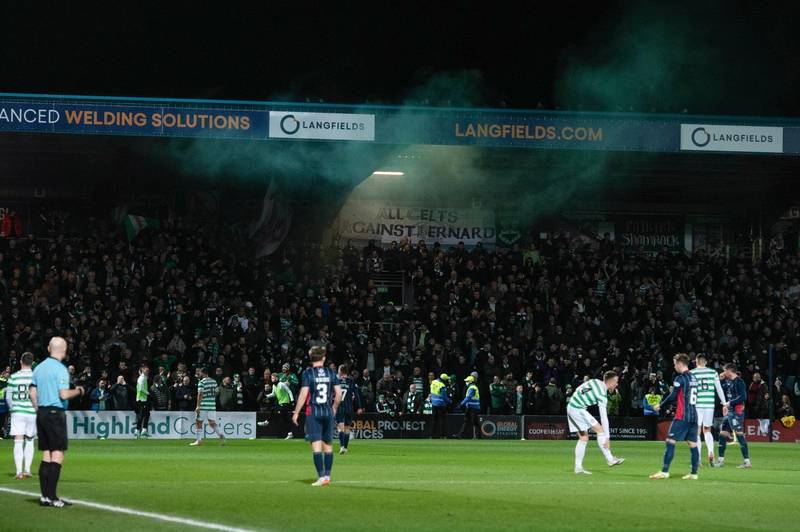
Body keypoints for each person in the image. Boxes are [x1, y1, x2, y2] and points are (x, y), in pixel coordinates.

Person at [28, 337, 85, 508]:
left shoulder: (39, 367)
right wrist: (79, 390)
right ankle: (52, 497)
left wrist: (39, 409)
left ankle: (45, 496)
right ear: (64, 349)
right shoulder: (60, 369)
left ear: (48, 348)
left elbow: (32, 391)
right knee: (58, 453)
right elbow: (63, 395)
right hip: (55, 413)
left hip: (42, 412)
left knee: (46, 453)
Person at [292, 346, 342, 487]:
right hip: (327, 411)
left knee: (316, 447)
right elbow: (338, 394)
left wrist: (296, 412)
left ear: (310, 357)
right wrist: (334, 408)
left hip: (313, 412)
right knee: (328, 446)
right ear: (324, 358)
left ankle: (321, 477)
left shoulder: (308, 373)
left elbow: (303, 394)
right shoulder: (331, 372)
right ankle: (327, 476)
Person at [649, 353, 700, 480]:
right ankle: (694, 474)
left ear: (679, 363)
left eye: (674, 363)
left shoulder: (680, 379)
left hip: (682, 416)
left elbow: (673, 396)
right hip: (694, 416)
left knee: (670, 441)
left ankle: (664, 471)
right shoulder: (694, 378)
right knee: (693, 444)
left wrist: (660, 405)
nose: (674, 366)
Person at [568, 370, 625, 474]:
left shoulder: (595, 381)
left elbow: (579, 389)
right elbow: (604, 417)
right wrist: (607, 438)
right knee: (600, 431)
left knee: (584, 438)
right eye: (616, 382)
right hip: (577, 409)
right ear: (611, 382)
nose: (617, 385)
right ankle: (610, 459)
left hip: (575, 406)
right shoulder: (602, 395)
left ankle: (578, 468)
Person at [690, 354, 726, 466]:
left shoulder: (692, 373)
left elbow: (690, 391)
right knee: (707, 430)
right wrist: (724, 403)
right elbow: (719, 389)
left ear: (696, 361)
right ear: (705, 362)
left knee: (697, 432)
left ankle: (698, 459)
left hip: (697, 405)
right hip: (709, 405)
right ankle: (710, 452)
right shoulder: (713, 372)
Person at [7, 352, 36, 479]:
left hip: (18, 412)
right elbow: (38, 395)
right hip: (31, 412)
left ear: (20, 361)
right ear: (32, 363)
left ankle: (19, 472)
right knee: (30, 440)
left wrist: (13, 409)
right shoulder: (36, 377)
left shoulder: (13, 377)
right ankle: (27, 470)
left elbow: (8, 397)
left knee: (18, 441)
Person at [716, 364, 751, 469]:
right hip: (730, 411)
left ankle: (747, 462)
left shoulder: (739, 382)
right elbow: (719, 389)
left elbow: (743, 397)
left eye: (724, 371)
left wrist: (729, 403)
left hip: (736, 411)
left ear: (729, 371)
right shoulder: (729, 382)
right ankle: (721, 461)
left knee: (739, 434)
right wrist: (720, 380)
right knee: (722, 434)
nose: (723, 373)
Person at [190, 367, 225, 446]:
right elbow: (216, 392)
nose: (199, 374)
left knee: (198, 422)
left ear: (202, 373)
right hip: (212, 405)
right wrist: (211, 399)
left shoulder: (202, 382)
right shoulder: (214, 381)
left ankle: (198, 441)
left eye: (199, 372)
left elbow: (200, 394)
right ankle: (220, 434)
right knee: (212, 422)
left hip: (203, 405)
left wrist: (198, 406)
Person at [335, 364, 362, 455]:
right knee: (347, 429)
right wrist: (359, 407)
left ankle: (342, 446)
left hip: (339, 407)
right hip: (349, 408)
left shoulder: (336, 381)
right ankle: (345, 448)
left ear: (340, 371)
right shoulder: (351, 381)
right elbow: (357, 395)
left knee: (340, 428)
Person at [428, 373, 451, 439]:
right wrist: (449, 401)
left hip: (434, 403)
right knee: (442, 420)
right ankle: (442, 435)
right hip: (440, 404)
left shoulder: (433, 382)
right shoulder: (442, 385)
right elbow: (443, 396)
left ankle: (431, 435)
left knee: (434, 420)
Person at [135, 366, 151, 438]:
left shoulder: (143, 377)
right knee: (142, 415)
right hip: (141, 399)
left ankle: (143, 430)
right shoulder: (141, 378)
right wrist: (148, 393)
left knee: (146, 414)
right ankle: (138, 430)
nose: (148, 371)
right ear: (142, 370)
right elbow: (141, 389)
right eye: (146, 370)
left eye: (148, 370)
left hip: (143, 399)